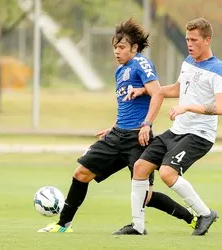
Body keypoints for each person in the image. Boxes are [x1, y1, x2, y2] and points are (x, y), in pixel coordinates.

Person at [38, 17, 196, 233]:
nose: (117, 51)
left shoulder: (141, 63)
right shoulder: (119, 71)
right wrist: (113, 127)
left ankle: (192, 218)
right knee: (81, 173)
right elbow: (126, 107)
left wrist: (147, 125)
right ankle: (63, 225)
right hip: (117, 136)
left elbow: (157, 93)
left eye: (121, 47)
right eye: (115, 47)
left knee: (146, 196)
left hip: (138, 139)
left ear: (134, 47)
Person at [113, 17, 222, 236]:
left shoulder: (218, 69)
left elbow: (221, 107)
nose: (189, 44)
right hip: (177, 131)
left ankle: (205, 213)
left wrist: (187, 108)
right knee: (140, 167)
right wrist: (144, 90)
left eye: (194, 40)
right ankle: (137, 226)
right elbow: (177, 89)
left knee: (167, 172)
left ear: (207, 40)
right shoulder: (188, 61)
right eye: (187, 39)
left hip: (199, 134)